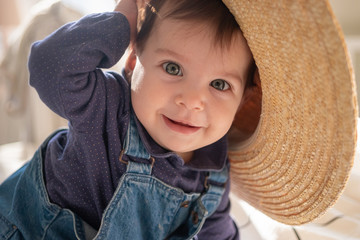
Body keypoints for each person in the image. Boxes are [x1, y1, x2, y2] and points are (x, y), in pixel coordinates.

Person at [0, 0, 357, 239]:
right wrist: (124, 22)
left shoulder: (213, 171)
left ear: (244, 99)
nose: (192, 100)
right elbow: (50, 65)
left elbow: (214, 231)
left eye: (219, 84)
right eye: (173, 68)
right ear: (133, 59)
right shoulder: (106, 107)